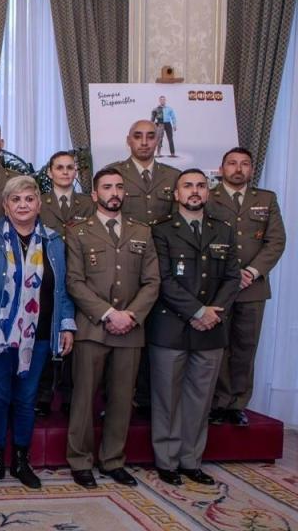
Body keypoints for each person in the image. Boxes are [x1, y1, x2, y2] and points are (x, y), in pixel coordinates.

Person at [64, 168, 160, 489]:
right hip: (92, 328)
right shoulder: (78, 232)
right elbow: (74, 282)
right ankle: (80, 461)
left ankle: (113, 460)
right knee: (84, 399)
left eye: (119, 186)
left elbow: (152, 282)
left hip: (130, 328)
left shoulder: (142, 232)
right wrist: (108, 314)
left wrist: (130, 315)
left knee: (121, 400)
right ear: (94, 194)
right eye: (107, 187)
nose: (114, 192)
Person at [0, 175, 75, 489]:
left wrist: (66, 324)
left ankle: (21, 460)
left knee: (26, 399)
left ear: (39, 204)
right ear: (5, 205)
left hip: (39, 335)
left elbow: (62, 288)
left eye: (29, 199)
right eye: (16, 199)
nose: (23, 205)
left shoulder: (53, 240)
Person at [148, 169, 240, 486]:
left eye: (201, 185)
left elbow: (232, 278)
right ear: (176, 194)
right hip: (170, 327)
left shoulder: (223, 230)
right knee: (167, 399)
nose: (195, 191)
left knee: (200, 400)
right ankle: (167, 461)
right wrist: (197, 311)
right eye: (187, 186)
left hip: (212, 328)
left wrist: (212, 313)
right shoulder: (161, 230)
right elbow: (163, 279)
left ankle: (191, 461)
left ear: (208, 192)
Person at [208, 148, 286, 426]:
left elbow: (275, 241)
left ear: (252, 169)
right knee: (218, 345)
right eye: (232, 163)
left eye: (244, 164)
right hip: (217, 287)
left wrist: (251, 272)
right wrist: (229, 275)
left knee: (245, 346)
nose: (238, 169)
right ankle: (218, 402)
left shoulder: (266, 199)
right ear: (221, 169)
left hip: (252, 288)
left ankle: (237, 404)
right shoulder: (208, 197)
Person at [109, 120, 180, 415]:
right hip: (125, 267)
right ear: (129, 140)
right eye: (138, 136)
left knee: (158, 337)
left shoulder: (173, 176)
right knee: (124, 336)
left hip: (164, 270)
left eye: (151, 136)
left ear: (158, 140)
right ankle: (121, 400)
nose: (144, 142)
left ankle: (151, 400)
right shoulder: (116, 174)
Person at [35, 151, 95, 417]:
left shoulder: (88, 203)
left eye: (70, 167)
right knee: (47, 335)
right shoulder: (39, 202)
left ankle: (71, 395)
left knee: (77, 339)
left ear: (75, 172)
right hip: (48, 278)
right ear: (50, 172)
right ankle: (43, 396)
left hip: (83, 277)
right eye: (59, 167)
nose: (65, 172)